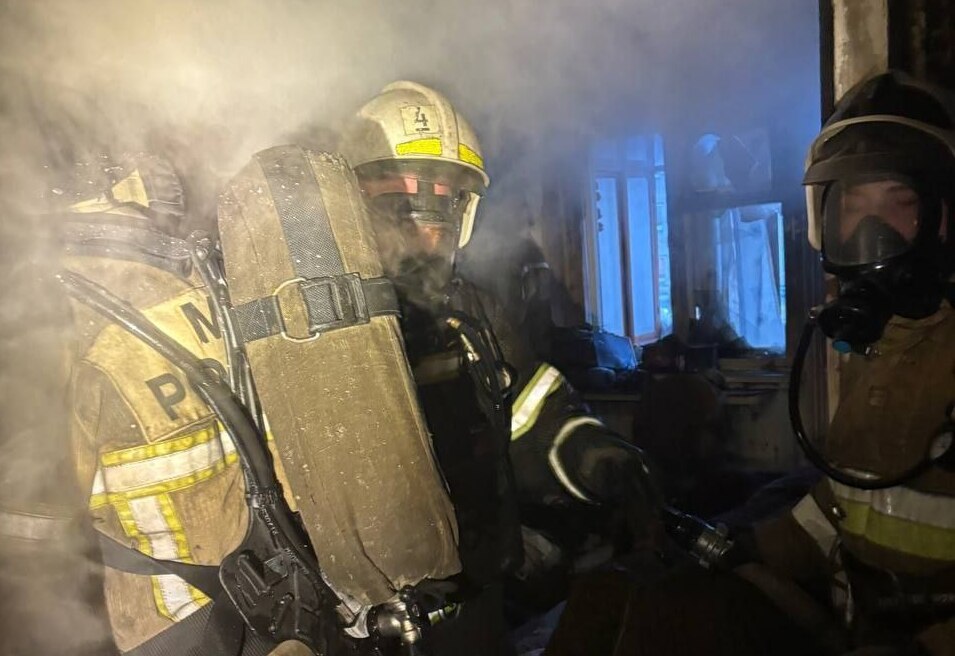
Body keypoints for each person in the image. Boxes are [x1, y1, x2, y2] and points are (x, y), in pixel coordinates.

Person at [338, 81, 661, 623]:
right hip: (375, 617)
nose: (425, 238)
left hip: (477, 591)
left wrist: (590, 453)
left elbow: (531, 410)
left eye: (442, 212)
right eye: (401, 210)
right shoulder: (322, 336)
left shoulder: (473, 314)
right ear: (353, 209)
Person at [742, 71, 955, 656]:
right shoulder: (871, 350)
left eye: (898, 204)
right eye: (853, 208)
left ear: (943, 218)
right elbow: (847, 503)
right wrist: (751, 549)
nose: (870, 233)